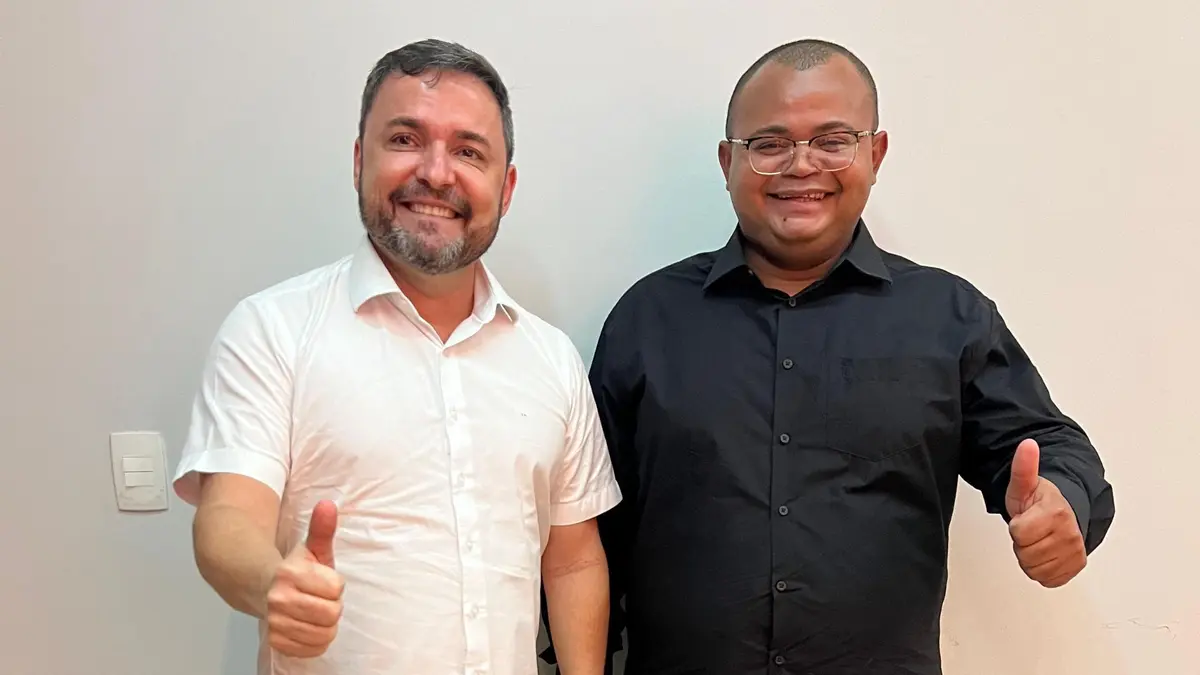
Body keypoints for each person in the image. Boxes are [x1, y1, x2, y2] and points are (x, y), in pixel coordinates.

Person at [576, 39, 1116, 674]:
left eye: (833, 141)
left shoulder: (948, 318)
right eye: (769, 144)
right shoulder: (648, 319)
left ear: (875, 153)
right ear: (728, 161)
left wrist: (1063, 499)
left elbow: (1048, 445)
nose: (801, 166)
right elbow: (584, 522)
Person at [173, 38, 620, 675]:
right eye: (406, 139)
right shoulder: (273, 329)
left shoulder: (551, 358)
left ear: (506, 187)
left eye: (469, 151)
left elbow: (573, 559)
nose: (437, 173)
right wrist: (272, 582)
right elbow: (228, 518)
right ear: (360, 160)